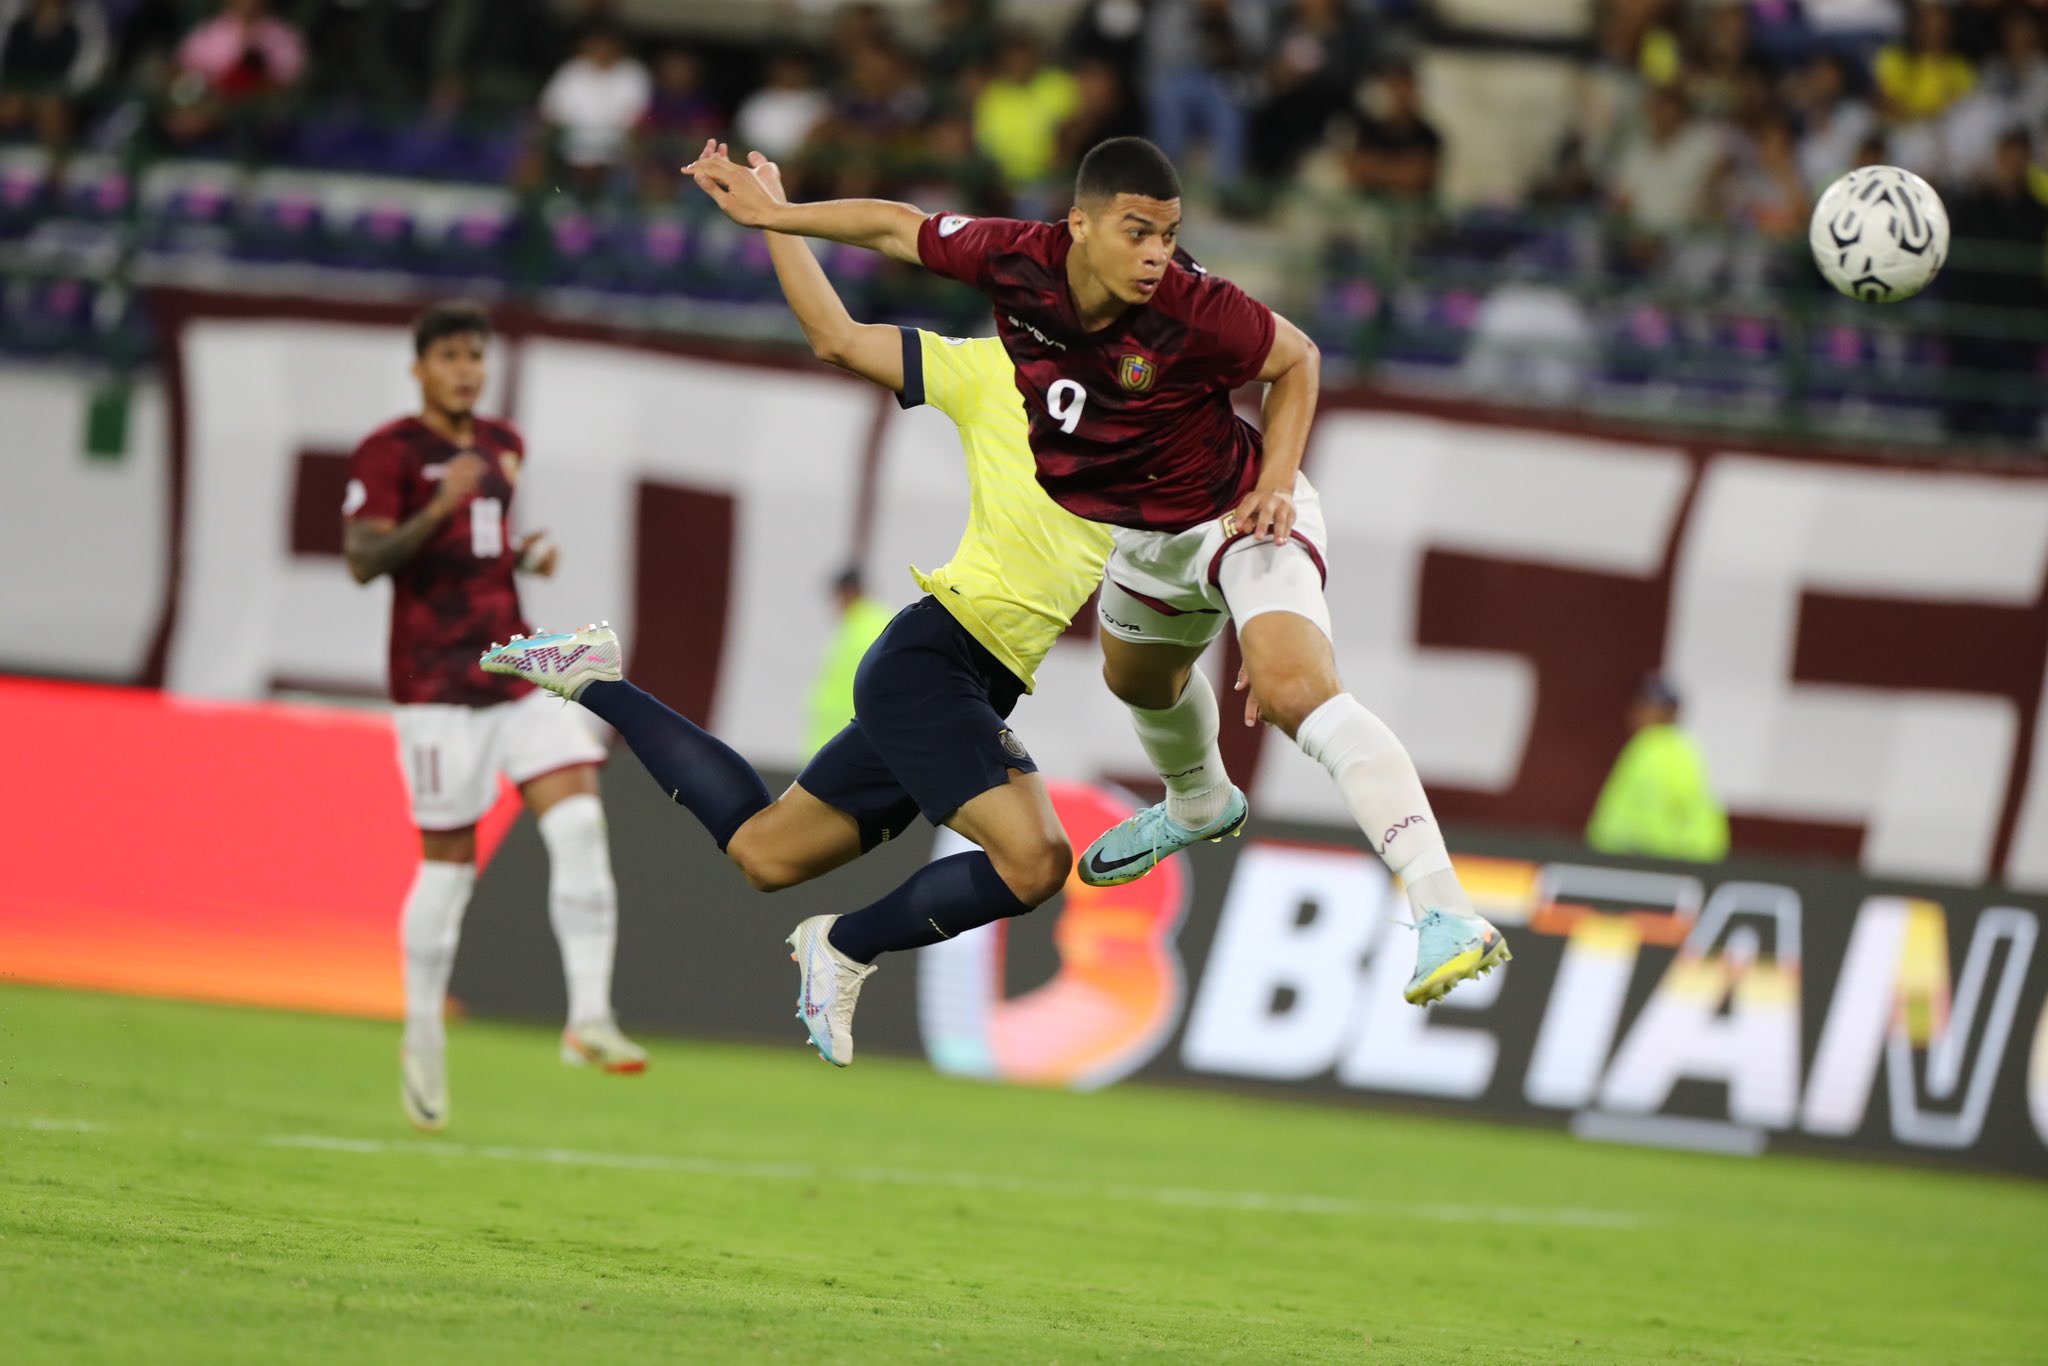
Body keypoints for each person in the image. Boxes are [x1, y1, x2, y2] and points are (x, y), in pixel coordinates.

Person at [684, 134, 1509, 1008]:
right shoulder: (1017, 263)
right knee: (1137, 679)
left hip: (1237, 515)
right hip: (1146, 539)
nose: (1157, 255)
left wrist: (1273, 486)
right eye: (1138, 232)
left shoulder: (1197, 308)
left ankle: (1445, 910)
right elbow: (898, 229)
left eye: (1169, 234)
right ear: (1079, 225)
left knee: (1296, 688)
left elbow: (1297, 360)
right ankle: (1197, 804)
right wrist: (775, 213)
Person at [483, 150, 1115, 1066]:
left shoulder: (1151, 422)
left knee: (765, 855)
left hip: (977, 683)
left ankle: (594, 681)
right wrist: (775, 218)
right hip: (937, 664)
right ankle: (848, 946)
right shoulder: (990, 373)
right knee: (1037, 860)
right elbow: (836, 335)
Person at [343, 302, 644, 1132]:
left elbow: (480, 544)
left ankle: (586, 1017)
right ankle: (421, 1032)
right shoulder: (390, 451)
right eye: (449, 355)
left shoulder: (503, 445)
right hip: (434, 689)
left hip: (510, 669)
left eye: (475, 354)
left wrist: (521, 552)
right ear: (420, 368)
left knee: (580, 819)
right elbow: (362, 560)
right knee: (447, 867)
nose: (466, 368)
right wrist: (440, 508)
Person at [1586, 675, 1729, 862]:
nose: (1637, 711)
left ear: (1671, 712)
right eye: (1639, 703)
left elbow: (1670, 814)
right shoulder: (1667, 746)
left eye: (1648, 705)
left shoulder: (1659, 748)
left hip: (1653, 860)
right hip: (1640, 857)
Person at [805, 567, 894, 757]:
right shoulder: (862, 626)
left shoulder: (866, 629)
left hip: (847, 744)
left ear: (848, 592)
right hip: (846, 742)